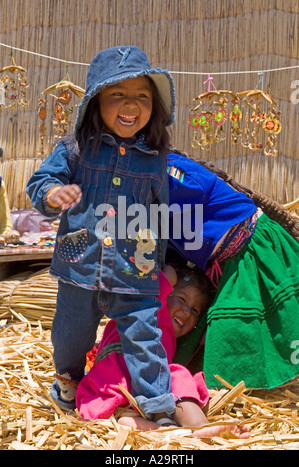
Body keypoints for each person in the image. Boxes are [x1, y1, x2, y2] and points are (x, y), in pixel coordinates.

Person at [26, 45, 177, 420]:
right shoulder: (76, 149)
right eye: (118, 94)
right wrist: (52, 193)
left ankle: (158, 407)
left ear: (153, 106)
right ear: (95, 102)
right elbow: (41, 181)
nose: (131, 104)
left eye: (142, 95)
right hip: (80, 268)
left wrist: (161, 266)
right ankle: (69, 384)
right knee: (69, 338)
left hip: (135, 271)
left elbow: (160, 215)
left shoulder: (155, 160)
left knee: (145, 337)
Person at [165, 151, 299, 391]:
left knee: (255, 324)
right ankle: (226, 388)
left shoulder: (167, 171)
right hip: (228, 262)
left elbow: (196, 188)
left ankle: (231, 390)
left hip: (254, 247)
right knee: (227, 329)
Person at [76, 264, 250, 438]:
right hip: (118, 378)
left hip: (147, 393)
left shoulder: (171, 340)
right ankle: (161, 430)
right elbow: (153, 286)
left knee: (178, 377)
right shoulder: (150, 309)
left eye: (195, 310)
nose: (186, 311)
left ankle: (199, 427)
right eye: (182, 299)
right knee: (122, 419)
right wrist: (169, 276)